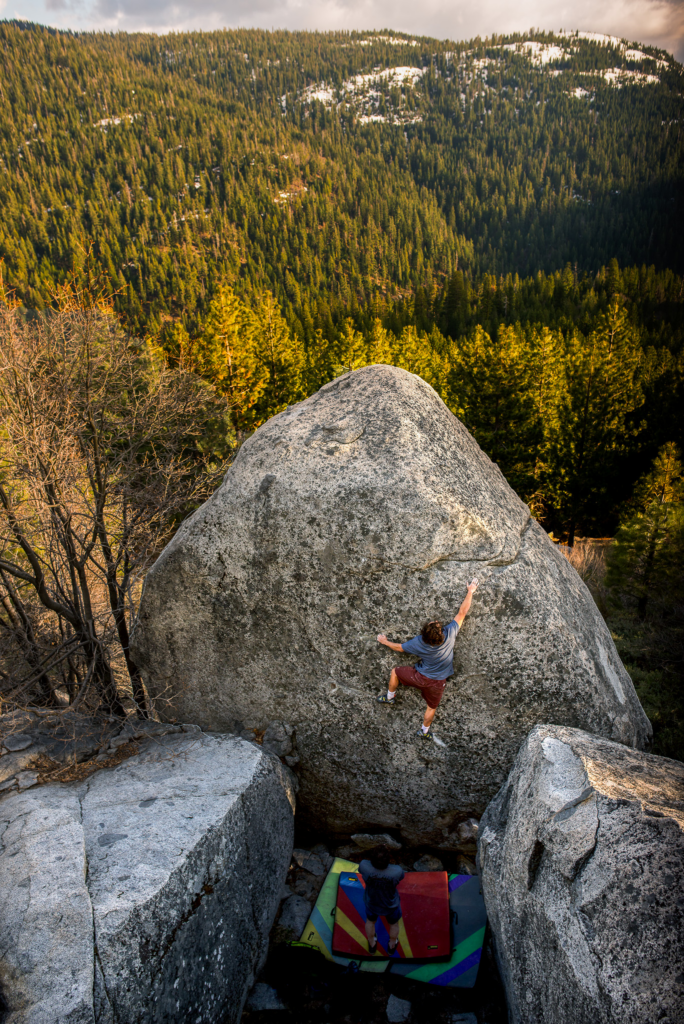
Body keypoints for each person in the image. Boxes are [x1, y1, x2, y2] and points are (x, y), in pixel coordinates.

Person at [376, 578, 479, 742]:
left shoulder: (419, 643)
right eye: (437, 624)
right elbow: (462, 613)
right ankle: (424, 731)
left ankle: (389, 697)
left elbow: (399, 648)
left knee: (395, 672)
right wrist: (470, 591)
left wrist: (384, 641)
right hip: (438, 682)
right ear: (441, 632)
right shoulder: (450, 634)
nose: (437, 622)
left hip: (419, 677)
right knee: (432, 707)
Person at [358, 844, 405, 955]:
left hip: (372, 903)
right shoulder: (397, 871)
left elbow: (361, 868)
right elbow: (401, 877)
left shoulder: (364, 866)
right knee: (393, 924)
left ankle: (372, 944)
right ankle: (392, 944)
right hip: (391, 905)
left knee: (370, 922)